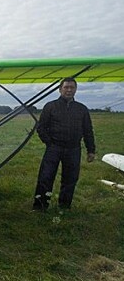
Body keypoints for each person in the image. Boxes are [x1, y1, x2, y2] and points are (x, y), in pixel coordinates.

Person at [32, 77, 96, 211]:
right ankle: (40, 206)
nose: (69, 90)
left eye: (72, 87)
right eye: (66, 87)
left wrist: (91, 150)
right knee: (45, 177)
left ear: (76, 90)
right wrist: (49, 143)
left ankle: (64, 206)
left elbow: (88, 131)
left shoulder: (81, 109)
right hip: (54, 148)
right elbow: (41, 127)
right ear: (60, 89)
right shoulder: (50, 106)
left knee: (70, 179)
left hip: (73, 149)